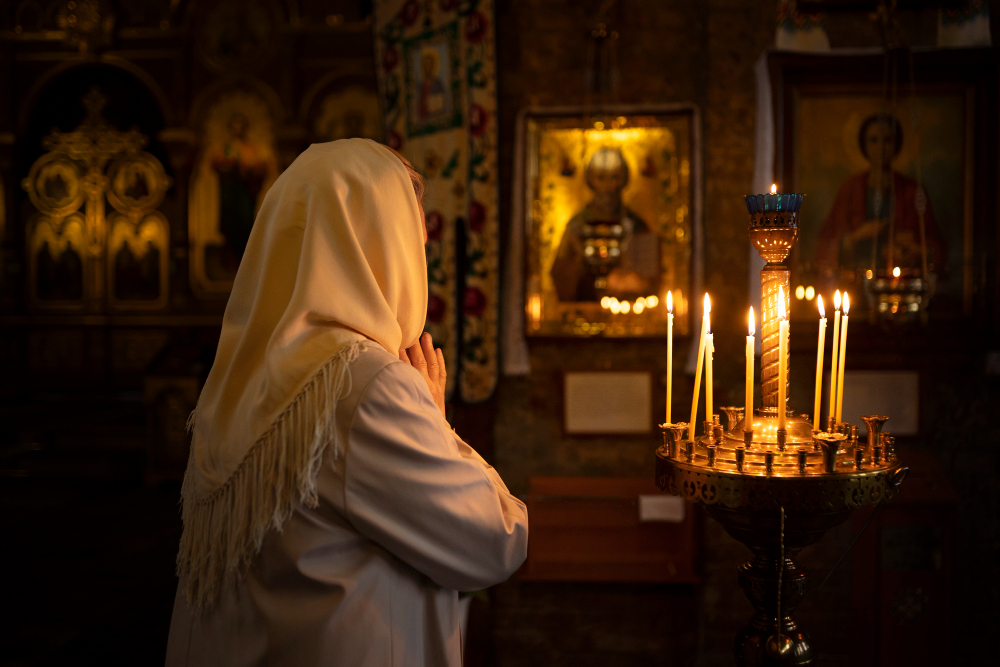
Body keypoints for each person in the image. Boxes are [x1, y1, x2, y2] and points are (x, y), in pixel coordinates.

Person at [166, 139, 528, 666]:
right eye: (412, 235)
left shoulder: (238, 376)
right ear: (384, 243)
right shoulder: (368, 384)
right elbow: (496, 541)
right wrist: (434, 417)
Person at [813, 112, 946, 277]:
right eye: (874, 140)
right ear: (864, 145)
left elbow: (934, 246)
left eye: (887, 140)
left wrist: (915, 249)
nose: (881, 148)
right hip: (856, 279)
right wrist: (856, 236)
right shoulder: (850, 188)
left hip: (900, 280)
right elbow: (826, 244)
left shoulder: (912, 190)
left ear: (897, 144)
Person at [549, 147, 661, 302]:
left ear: (624, 179)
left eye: (614, 177)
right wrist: (580, 263)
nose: (608, 186)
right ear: (591, 180)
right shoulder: (576, 227)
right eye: (601, 178)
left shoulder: (636, 226)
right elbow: (560, 275)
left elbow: (650, 280)